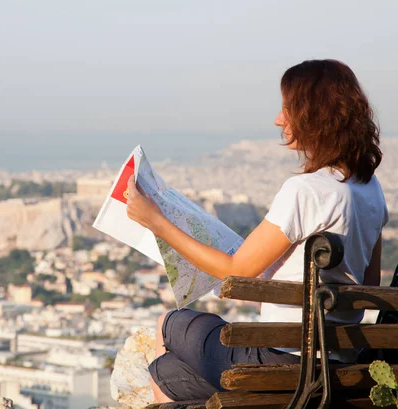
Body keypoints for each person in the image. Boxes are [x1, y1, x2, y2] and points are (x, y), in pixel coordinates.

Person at [125, 59, 389, 403]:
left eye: (287, 109)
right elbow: (367, 282)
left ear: (314, 115)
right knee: (170, 372)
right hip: (336, 361)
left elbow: (238, 272)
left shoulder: (307, 190)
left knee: (170, 322)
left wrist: (155, 221)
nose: (279, 120)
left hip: (280, 359)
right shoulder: (371, 189)